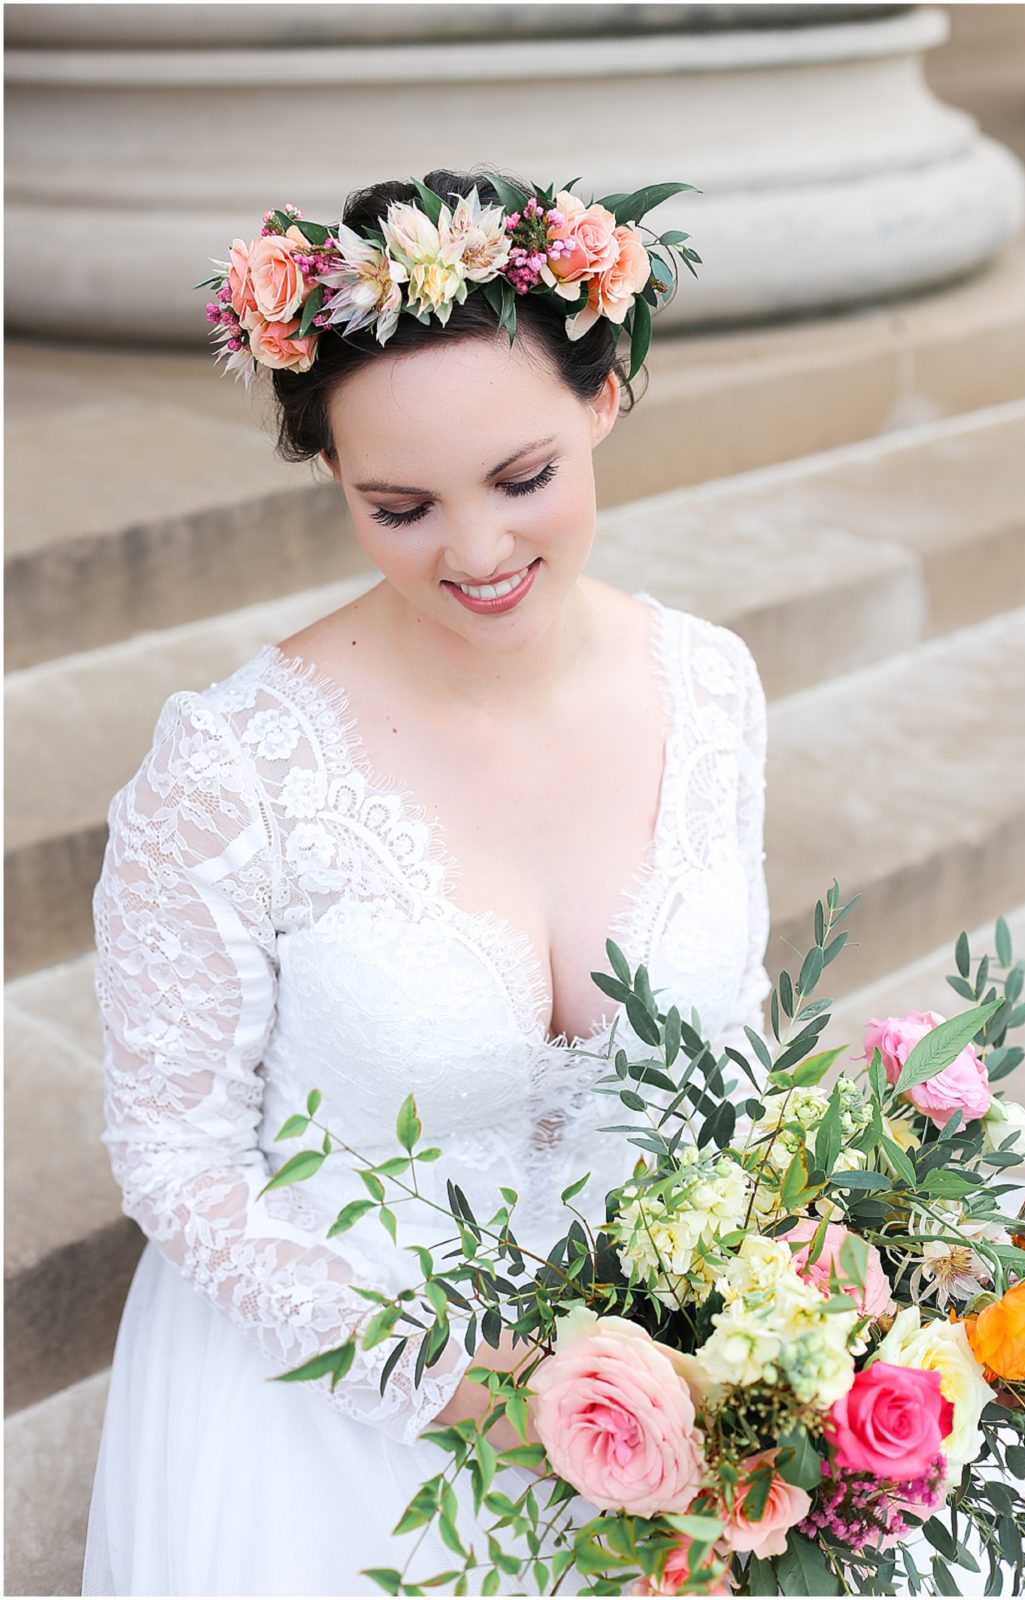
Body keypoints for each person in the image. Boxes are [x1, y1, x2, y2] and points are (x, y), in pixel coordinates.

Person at [80, 168, 773, 1596]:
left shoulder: (708, 684)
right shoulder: (232, 768)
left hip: (668, 1393)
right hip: (336, 1424)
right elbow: (179, 1163)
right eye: (398, 507)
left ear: (604, 400)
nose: (475, 552)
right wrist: (464, 1386)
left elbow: (739, 1038)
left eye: (522, 480)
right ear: (332, 478)